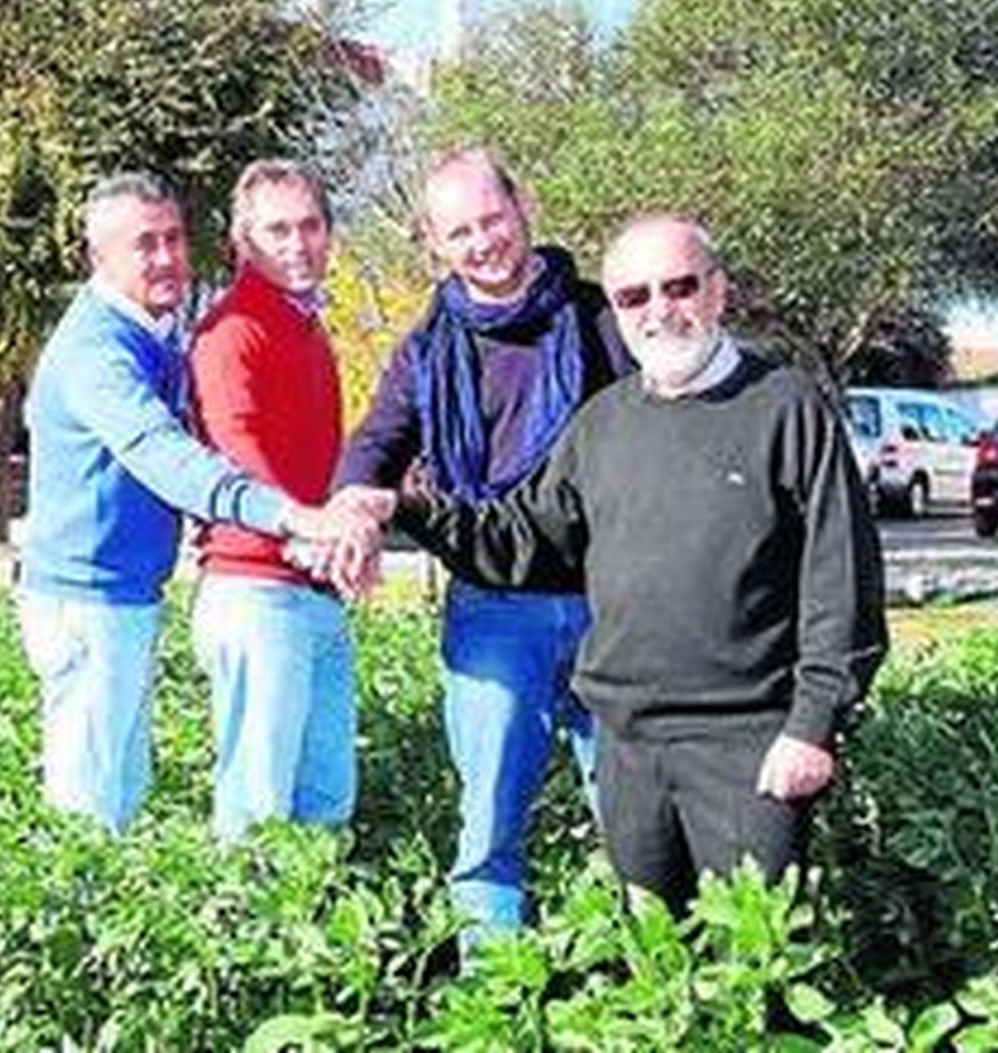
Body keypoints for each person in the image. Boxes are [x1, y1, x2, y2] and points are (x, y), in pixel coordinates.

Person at [361, 214, 887, 913]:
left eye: (679, 287)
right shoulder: (601, 423)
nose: (658, 311)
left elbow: (841, 577)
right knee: (653, 959)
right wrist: (404, 507)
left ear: (718, 290)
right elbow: (524, 539)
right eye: (634, 296)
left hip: (749, 745)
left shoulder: (786, 406)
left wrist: (812, 726)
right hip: (627, 747)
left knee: (756, 963)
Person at [333, 148, 631, 941]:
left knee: (637, 820)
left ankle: (649, 979)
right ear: (435, 243)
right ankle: (494, 992)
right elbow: (374, 445)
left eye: (491, 219)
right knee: (490, 828)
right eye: (459, 231)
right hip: (493, 611)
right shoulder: (428, 351)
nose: (481, 243)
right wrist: (356, 505)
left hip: (612, 605)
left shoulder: (602, 320)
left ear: (522, 205)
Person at [18, 170, 372, 833]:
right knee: (90, 814)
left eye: (174, 238)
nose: (166, 257)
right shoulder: (97, 351)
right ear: (99, 256)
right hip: (85, 601)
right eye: (144, 244)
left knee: (120, 797)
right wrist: (294, 518)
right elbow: (166, 456)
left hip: (124, 596)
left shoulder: (153, 334)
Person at [187, 159, 356, 840]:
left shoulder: (307, 327)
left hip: (315, 588)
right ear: (241, 240)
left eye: (310, 226)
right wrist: (307, 530)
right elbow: (236, 447)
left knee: (326, 803)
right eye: (277, 230)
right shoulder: (232, 330)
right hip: (257, 590)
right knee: (256, 817)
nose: (297, 244)